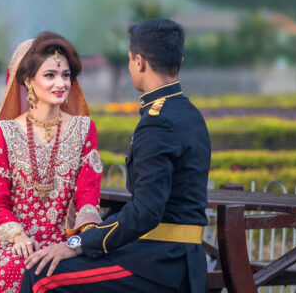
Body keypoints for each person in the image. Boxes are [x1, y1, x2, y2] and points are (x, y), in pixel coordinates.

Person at [20, 19, 211, 293]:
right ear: (179, 59)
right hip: (175, 256)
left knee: (41, 276)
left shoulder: (158, 122)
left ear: (139, 62)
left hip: (161, 262)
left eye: (131, 60)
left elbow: (146, 212)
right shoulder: (189, 113)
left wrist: (77, 244)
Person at [0, 32, 105, 293]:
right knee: (14, 268)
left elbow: (88, 198)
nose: (60, 84)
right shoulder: (6, 132)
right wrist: (18, 236)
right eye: (50, 75)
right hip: (19, 243)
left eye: (66, 75)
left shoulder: (84, 129)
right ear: (29, 80)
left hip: (65, 244)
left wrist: (76, 243)